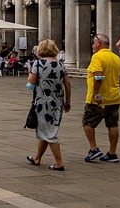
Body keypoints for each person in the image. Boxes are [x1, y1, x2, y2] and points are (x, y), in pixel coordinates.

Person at [26, 39, 70, 170]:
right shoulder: (61, 65)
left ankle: (59, 162)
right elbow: (67, 83)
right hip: (57, 102)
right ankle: (37, 157)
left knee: (50, 133)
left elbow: (31, 82)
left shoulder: (38, 64)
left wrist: (31, 72)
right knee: (46, 129)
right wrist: (68, 101)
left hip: (42, 102)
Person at [82, 33, 120, 163]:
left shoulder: (97, 57)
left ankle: (93, 149)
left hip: (98, 99)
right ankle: (112, 153)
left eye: (93, 43)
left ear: (99, 43)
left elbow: (98, 76)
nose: (92, 45)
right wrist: (119, 90)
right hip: (114, 97)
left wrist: (96, 93)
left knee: (87, 123)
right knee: (112, 124)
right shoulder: (116, 58)